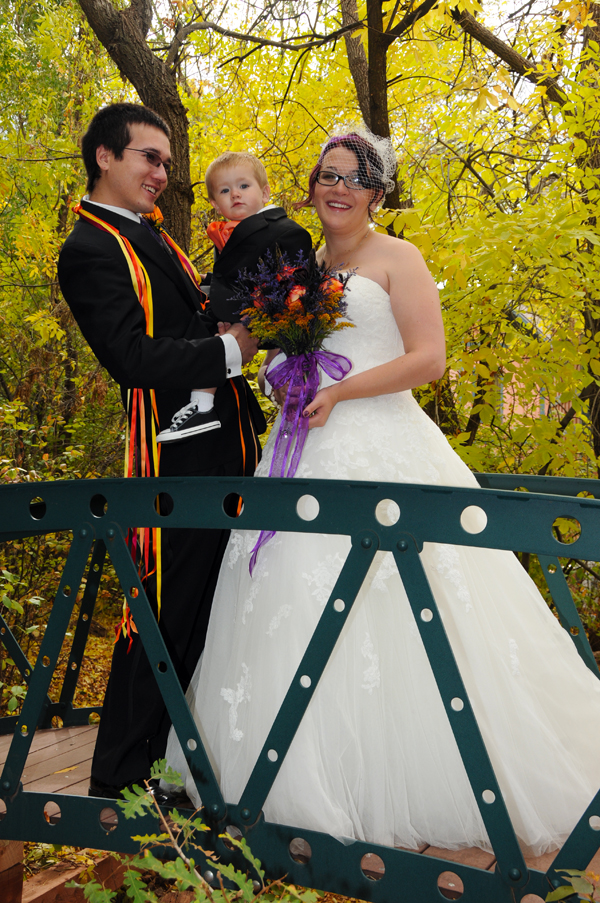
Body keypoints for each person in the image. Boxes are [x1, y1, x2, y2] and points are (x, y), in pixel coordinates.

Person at [165, 128, 600, 855]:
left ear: (376, 192)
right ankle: (285, 772)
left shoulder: (400, 258)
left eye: (353, 179)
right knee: (287, 593)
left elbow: (428, 359)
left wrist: (343, 390)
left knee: (412, 596)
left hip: (382, 447)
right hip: (302, 448)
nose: (337, 187)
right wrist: (287, 371)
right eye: (326, 174)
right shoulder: (299, 262)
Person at [57, 103, 266, 799]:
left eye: (168, 162)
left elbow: (191, 317)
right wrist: (228, 351)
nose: (162, 172)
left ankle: (174, 769)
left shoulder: (156, 238)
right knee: (161, 612)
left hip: (224, 453)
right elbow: (132, 357)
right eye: (150, 157)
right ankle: (119, 781)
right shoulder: (89, 250)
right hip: (173, 466)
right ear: (105, 157)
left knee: (208, 613)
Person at [156, 151, 312, 443]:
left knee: (209, 332)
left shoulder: (283, 230)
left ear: (265, 192)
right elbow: (231, 276)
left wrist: (272, 308)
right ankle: (202, 405)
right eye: (225, 191)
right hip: (232, 307)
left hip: (270, 313)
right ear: (215, 204)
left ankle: (208, 402)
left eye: (244, 186)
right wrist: (206, 283)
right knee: (197, 330)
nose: (235, 195)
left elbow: (298, 275)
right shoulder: (228, 234)